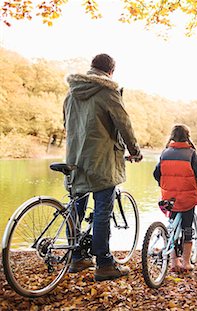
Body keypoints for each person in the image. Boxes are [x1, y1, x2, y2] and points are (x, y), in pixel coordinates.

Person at [64, 53, 143, 281]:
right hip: (101, 160)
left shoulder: (72, 92)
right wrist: (134, 150)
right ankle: (104, 263)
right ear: (111, 71)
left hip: (74, 159)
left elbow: (65, 124)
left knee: (76, 209)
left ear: (91, 68)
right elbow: (123, 123)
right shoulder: (108, 91)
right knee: (102, 211)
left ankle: (77, 257)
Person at [153, 124, 197, 272]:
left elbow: (156, 174)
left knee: (172, 226)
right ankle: (186, 263)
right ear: (187, 137)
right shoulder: (191, 153)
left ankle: (174, 263)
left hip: (170, 197)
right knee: (187, 228)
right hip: (187, 197)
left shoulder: (165, 153)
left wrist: (166, 184)